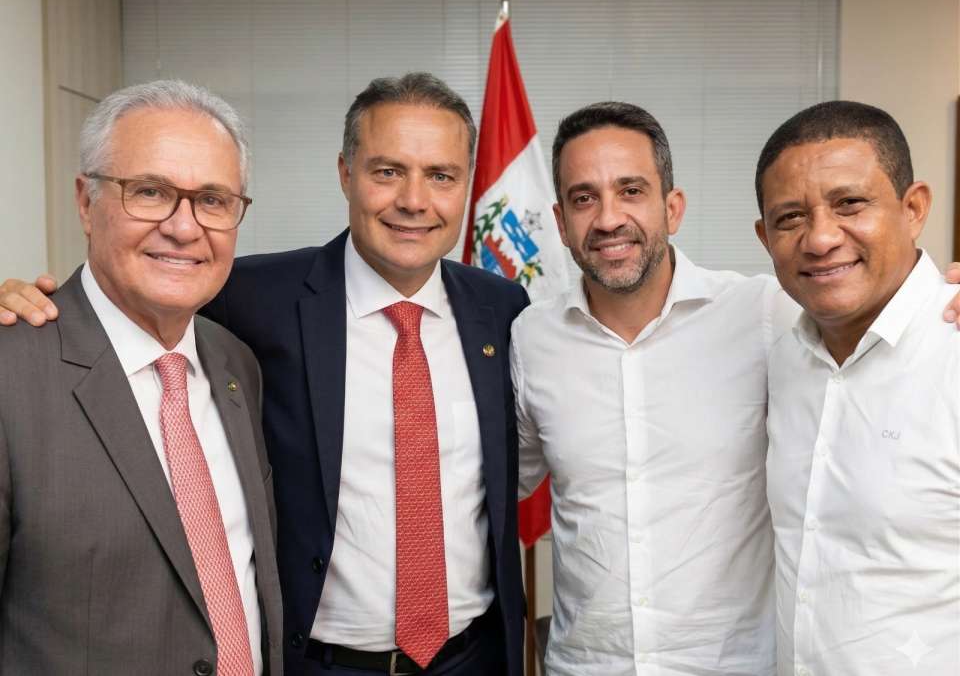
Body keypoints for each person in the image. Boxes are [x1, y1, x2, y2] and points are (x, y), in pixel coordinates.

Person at [0, 73, 527, 675]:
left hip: (473, 656)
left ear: (467, 184)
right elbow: (130, 299)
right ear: (345, 173)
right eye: (387, 171)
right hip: (320, 662)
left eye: (441, 176)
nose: (414, 199)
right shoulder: (249, 296)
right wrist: (23, 304)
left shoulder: (503, 310)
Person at [510, 101, 960, 676]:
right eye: (583, 198)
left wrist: (937, 295)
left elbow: (868, 298)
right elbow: (486, 483)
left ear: (673, 207)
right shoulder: (531, 337)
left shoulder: (769, 315)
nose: (608, 218)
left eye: (631, 190)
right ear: (560, 221)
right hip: (587, 665)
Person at [0, 80, 283, 674]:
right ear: (86, 202)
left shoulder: (237, 363)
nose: (184, 228)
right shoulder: (11, 375)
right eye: (150, 192)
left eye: (213, 200)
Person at [755, 100, 960, 676]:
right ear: (765, 237)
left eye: (850, 203)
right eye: (791, 217)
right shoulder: (782, 358)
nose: (820, 238)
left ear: (913, 208)